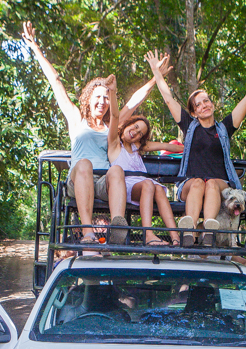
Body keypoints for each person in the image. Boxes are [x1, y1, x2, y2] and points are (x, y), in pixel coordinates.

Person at [21, 23, 169, 245]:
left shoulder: (114, 127)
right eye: (98, 97)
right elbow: (56, 82)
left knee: (117, 169)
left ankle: (119, 227)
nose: (102, 102)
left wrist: (155, 77)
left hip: (104, 183)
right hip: (79, 180)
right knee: (84, 165)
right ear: (89, 99)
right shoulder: (76, 119)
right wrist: (35, 47)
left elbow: (135, 101)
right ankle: (88, 231)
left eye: (106, 98)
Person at [145, 45, 246, 246]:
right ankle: (188, 232)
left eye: (206, 101)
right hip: (190, 185)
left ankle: (209, 230)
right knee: (200, 182)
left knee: (212, 183)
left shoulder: (224, 127)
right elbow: (168, 98)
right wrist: (156, 71)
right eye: (198, 104)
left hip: (219, 185)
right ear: (194, 113)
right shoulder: (190, 126)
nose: (204, 105)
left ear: (212, 104)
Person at [106, 81, 183, 246]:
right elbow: (114, 117)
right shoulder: (114, 144)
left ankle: (176, 237)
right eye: (135, 127)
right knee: (149, 184)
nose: (135, 133)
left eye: (140, 133)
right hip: (126, 186)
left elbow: (165, 146)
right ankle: (148, 235)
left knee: (159, 189)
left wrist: (190, 147)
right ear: (127, 124)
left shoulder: (137, 147)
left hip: (145, 186)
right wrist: (112, 93)